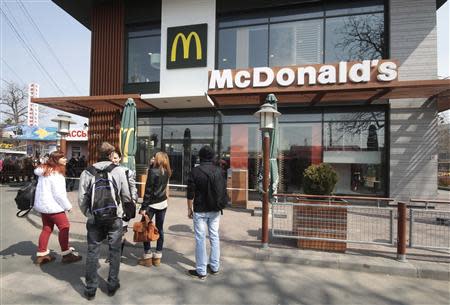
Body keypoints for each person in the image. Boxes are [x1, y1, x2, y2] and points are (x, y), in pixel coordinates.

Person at [78, 142, 132, 300]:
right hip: (115, 217)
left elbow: (81, 198)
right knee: (114, 251)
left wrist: (89, 214)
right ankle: (112, 284)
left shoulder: (87, 172)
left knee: (92, 251)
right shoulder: (119, 171)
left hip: (94, 217)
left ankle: (90, 289)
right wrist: (123, 213)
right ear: (111, 154)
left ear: (98, 153)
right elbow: (126, 195)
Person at [33, 150, 82, 265]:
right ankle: (66, 254)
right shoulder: (56, 174)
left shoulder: (44, 171)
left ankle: (42, 254)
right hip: (53, 207)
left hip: (44, 206)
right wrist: (68, 206)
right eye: (62, 157)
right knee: (64, 227)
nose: (65, 159)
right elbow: (59, 194)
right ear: (56, 159)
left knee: (47, 228)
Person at [186, 145, 226, 280]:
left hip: (200, 210)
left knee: (200, 239)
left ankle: (201, 270)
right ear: (213, 156)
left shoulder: (195, 172)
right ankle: (214, 267)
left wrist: (189, 208)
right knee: (214, 236)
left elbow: (190, 193)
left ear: (200, 156)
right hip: (215, 209)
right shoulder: (219, 171)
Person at [138, 152, 171, 267]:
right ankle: (157, 256)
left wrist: (143, 207)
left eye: (154, 157)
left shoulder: (153, 171)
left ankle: (147, 255)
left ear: (158, 159)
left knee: (145, 229)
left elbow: (148, 191)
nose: (152, 158)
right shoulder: (167, 171)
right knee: (159, 229)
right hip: (163, 203)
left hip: (151, 205)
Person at [109, 150, 137, 259]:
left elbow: (133, 187)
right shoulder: (106, 171)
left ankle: (117, 255)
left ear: (120, 159)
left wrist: (133, 200)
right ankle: (112, 254)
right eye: (111, 157)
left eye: (116, 158)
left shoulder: (127, 171)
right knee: (112, 232)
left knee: (121, 232)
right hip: (110, 206)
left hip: (124, 206)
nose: (113, 160)